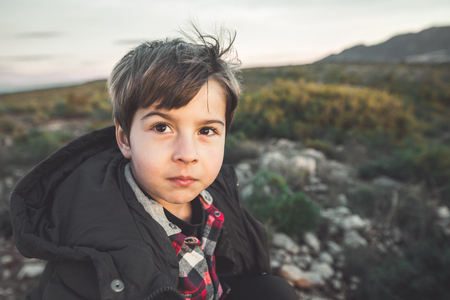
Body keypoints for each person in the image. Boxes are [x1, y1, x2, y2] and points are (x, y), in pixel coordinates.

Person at [10, 26, 298, 300]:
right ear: (125, 139)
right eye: (162, 127)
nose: (187, 153)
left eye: (206, 130)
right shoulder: (95, 243)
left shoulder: (220, 194)